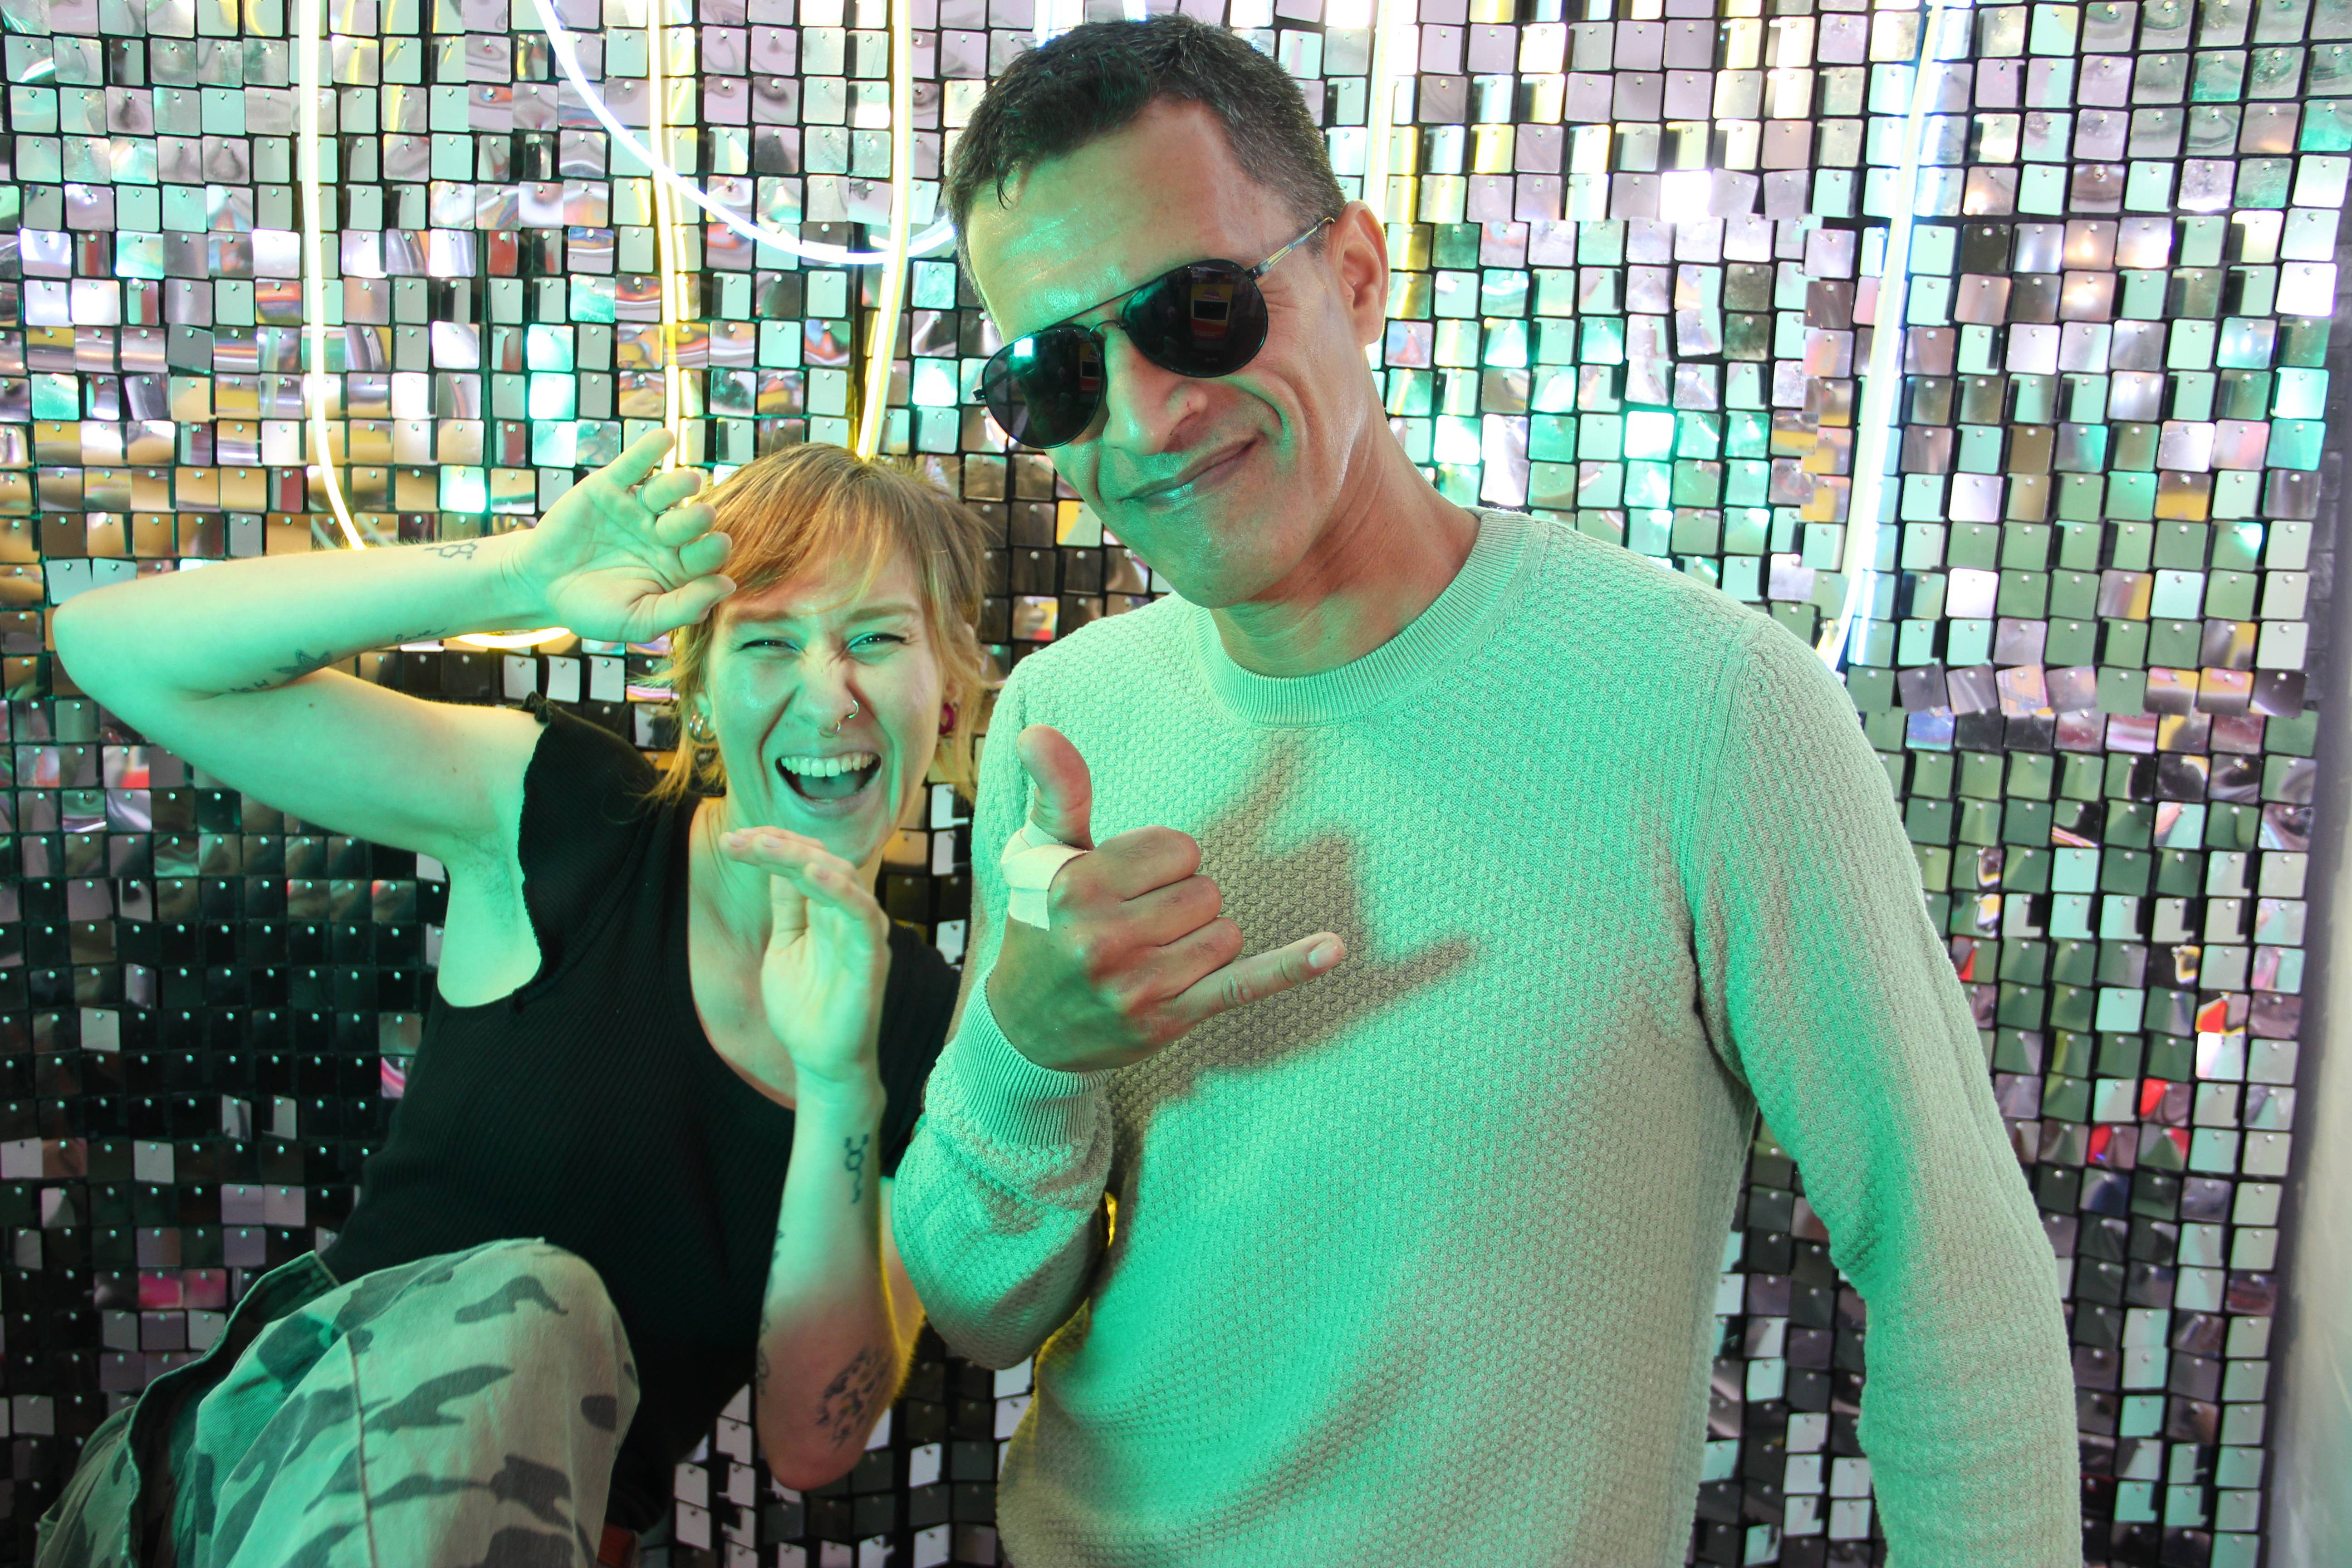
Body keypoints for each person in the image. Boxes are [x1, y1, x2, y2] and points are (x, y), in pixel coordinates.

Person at [890, 16, 2079, 1568]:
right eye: (1054, 375)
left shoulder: (1708, 708)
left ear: (1355, 274)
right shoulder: (1069, 719)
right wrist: (1028, 1052)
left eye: (1197, 311)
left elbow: (1952, 1272)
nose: (1144, 415)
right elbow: (979, 1305)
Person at [41, 435, 989, 1566]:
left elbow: (809, 1443)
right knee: (547, 1302)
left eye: (876, 639)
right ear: (700, 690)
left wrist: (839, 1087)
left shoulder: (935, 1037)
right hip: (242, 1495)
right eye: (769, 640)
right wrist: (518, 576)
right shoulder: (564, 820)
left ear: (947, 695)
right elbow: (110, 646)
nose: (828, 696)